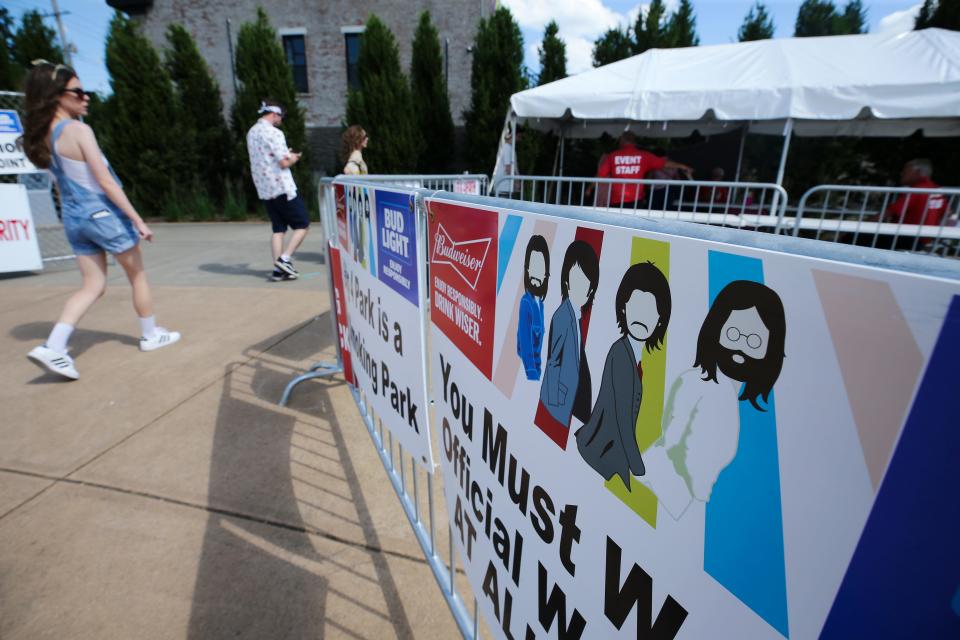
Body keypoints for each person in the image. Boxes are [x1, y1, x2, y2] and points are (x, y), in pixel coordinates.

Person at [21, 61, 180, 380]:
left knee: (92, 286)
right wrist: (137, 219)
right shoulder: (79, 130)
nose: (86, 97)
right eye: (78, 92)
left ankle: (54, 346)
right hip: (103, 214)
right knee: (137, 276)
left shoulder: (40, 138)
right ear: (56, 95)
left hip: (73, 217)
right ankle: (150, 334)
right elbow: (105, 181)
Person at [641, 280, 786, 519]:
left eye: (755, 341)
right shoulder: (697, 383)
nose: (741, 346)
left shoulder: (729, 396)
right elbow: (670, 442)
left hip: (680, 501)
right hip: (670, 496)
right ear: (716, 329)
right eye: (733, 333)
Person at [575, 262, 671, 488]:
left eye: (650, 310)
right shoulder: (620, 354)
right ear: (624, 307)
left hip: (608, 452)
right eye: (636, 305)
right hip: (601, 452)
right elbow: (623, 420)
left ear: (660, 319)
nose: (641, 317)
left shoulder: (634, 357)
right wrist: (638, 468)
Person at [535, 240, 599, 448]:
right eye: (576, 279)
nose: (581, 287)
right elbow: (553, 361)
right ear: (566, 281)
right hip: (563, 402)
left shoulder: (576, 316)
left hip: (572, 399)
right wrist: (555, 402)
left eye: (586, 282)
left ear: (591, 290)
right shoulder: (563, 317)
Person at [246, 99, 309, 281]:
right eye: (281, 116)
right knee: (302, 224)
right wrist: (294, 158)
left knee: (278, 228)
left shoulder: (252, 132)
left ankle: (278, 269)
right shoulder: (275, 133)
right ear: (274, 114)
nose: (281, 120)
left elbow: (267, 157)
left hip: (265, 188)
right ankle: (285, 258)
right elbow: (283, 163)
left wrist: (285, 154)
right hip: (281, 186)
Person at [595, 132, 692, 208]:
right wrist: (683, 166)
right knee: (634, 227)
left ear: (621, 140)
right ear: (634, 141)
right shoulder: (644, 156)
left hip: (616, 199)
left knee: (617, 226)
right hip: (636, 200)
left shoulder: (612, 156)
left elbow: (601, 174)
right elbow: (664, 163)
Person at [516, 235, 550, 380]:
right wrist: (532, 373)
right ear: (527, 269)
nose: (536, 273)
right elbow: (525, 344)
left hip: (536, 368)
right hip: (526, 370)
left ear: (545, 274)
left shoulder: (540, 305)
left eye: (540, 268)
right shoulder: (526, 303)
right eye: (533, 266)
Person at [883, 159, 947, 228]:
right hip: (929, 236)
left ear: (917, 172)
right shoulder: (937, 190)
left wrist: (870, 223)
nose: (901, 174)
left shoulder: (916, 191)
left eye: (905, 171)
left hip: (906, 235)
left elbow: (890, 212)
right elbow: (947, 213)